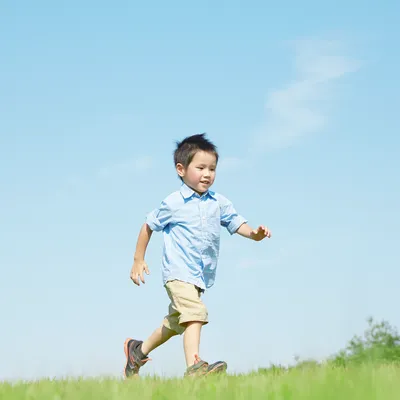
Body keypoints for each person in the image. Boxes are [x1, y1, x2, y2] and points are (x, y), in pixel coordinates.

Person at [124, 133, 271, 378]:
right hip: (178, 273)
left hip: (198, 276)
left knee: (174, 323)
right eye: (201, 167)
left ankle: (137, 351)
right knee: (195, 314)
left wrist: (254, 234)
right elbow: (148, 225)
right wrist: (138, 259)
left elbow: (235, 222)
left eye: (212, 168)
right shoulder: (173, 203)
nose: (207, 174)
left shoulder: (218, 202)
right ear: (181, 169)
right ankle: (195, 366)